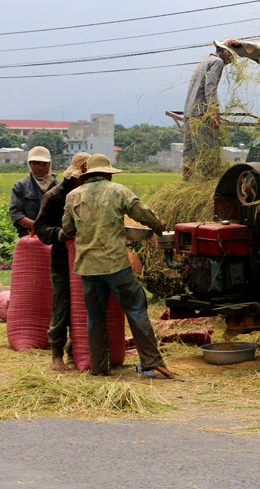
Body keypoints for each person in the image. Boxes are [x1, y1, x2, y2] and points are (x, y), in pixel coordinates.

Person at [61, 154, 174, 378]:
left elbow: (68, 228)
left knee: (94, 316)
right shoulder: (118, 191)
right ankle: (152, 361)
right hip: (115, 264)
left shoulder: (73, 196)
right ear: (107, 174)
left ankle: (100, 368)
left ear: (88, 175)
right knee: (135, 308)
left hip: (88, 267)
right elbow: (142, 213)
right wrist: (159, 227)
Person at [33, 152, 91, 371]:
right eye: (83, 178)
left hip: (89, 257)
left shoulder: (93, 194)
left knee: (85, 307)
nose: (86, 182)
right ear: (73, 178)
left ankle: (75, 351)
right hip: (62, 259)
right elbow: (40, 227)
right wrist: (60, 234)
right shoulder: (55, 196)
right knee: (62, 305)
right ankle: (57, 354)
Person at [182, 40, 234, 181]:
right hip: (201, 113)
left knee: (189, 150)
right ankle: (207, 182)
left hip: (189, 111)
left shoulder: (204, 61)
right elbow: (210, 87)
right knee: (207, 150)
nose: (231, 61)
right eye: (231, 56)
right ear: (224, 52)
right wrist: (214, 112)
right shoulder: (218, 62)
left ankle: (186, 183)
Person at [9, 146, 58, 237]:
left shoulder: (59, 187)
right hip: (29, 238)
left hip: (56, 239)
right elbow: (15, 214)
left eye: (44, 163)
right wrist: (38, 227)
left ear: (50, 164)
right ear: (29, 164)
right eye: (35, 164)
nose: (40, 167)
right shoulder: (20, 186)